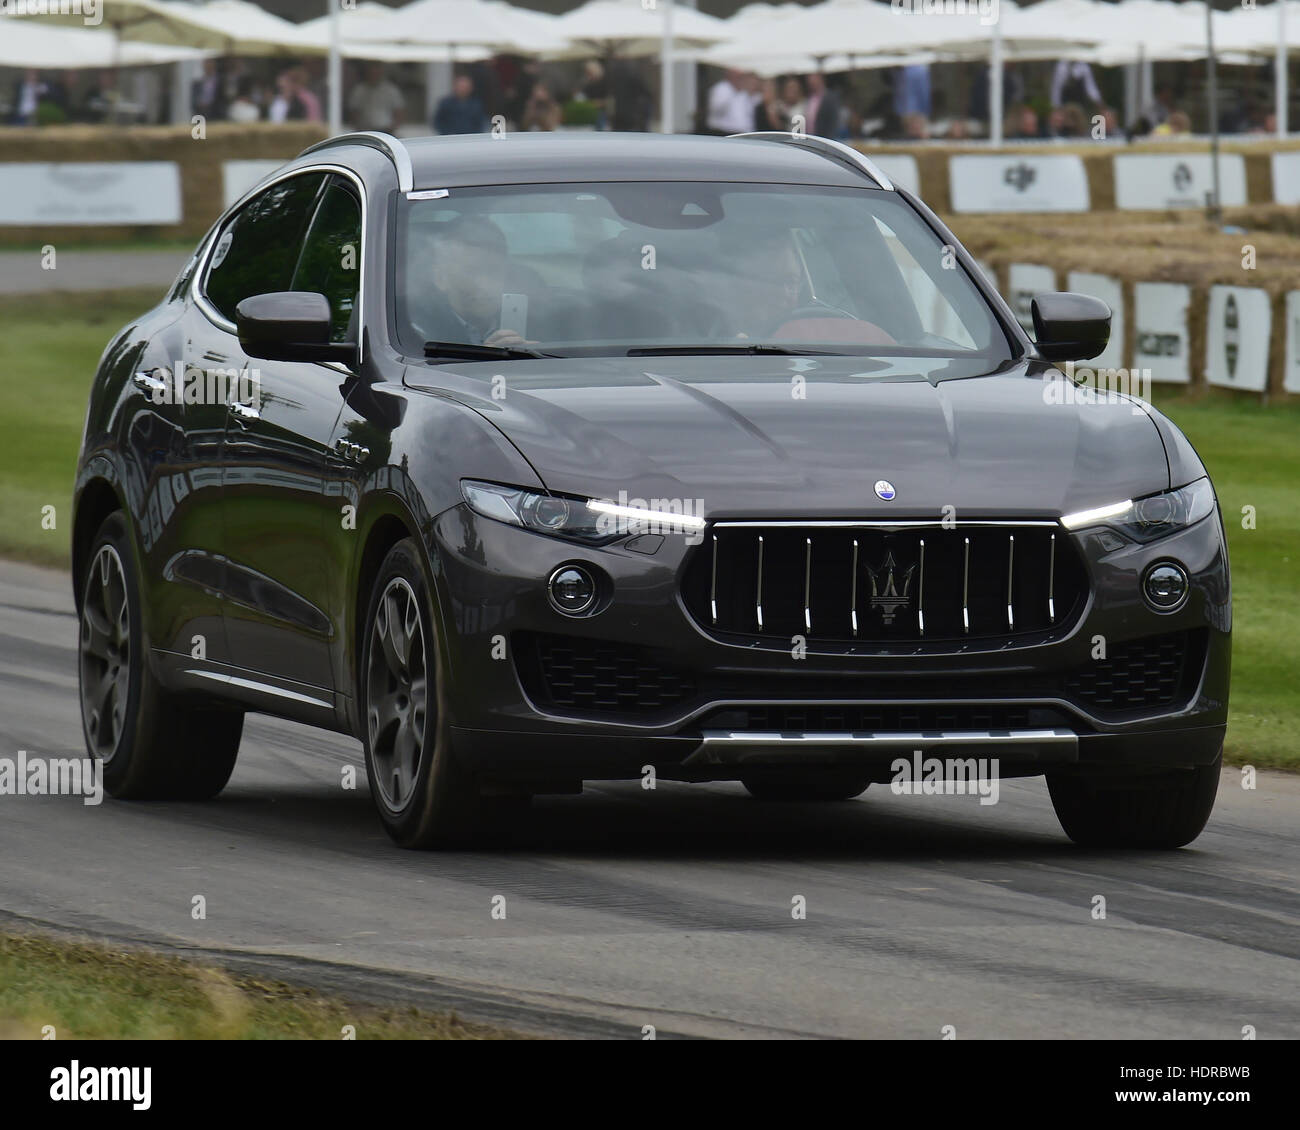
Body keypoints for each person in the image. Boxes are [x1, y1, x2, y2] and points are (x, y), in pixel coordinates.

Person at [414, 216, 526, 347]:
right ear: (441, 278)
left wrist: (538, 352)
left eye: (494, 271)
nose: (485, 284)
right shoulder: (417, 336)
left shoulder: (542, 325)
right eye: (471, 272)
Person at [348, 62, 405, 132]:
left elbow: (399, 110)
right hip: (365, 129)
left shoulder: (391, 89)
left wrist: (393, 127)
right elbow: (354, 110)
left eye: (376, 72)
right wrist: (357, 127)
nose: (374, 75)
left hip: (386, 130)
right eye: (371, 72)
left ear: (381, 72)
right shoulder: (360, 89)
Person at [707, 68, 757, 134]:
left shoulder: (744, 91)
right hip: (723, 132)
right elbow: (716, 110)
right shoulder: (720, 88)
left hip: (744, 133)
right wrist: (734, 92)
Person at [803, 71, 843, 138]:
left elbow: (833, 122)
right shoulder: (809, 99)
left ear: (820, 79)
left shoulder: (830, 98)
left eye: (813, 80)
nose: (811, 83)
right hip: (809, 139)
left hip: (824, 139)